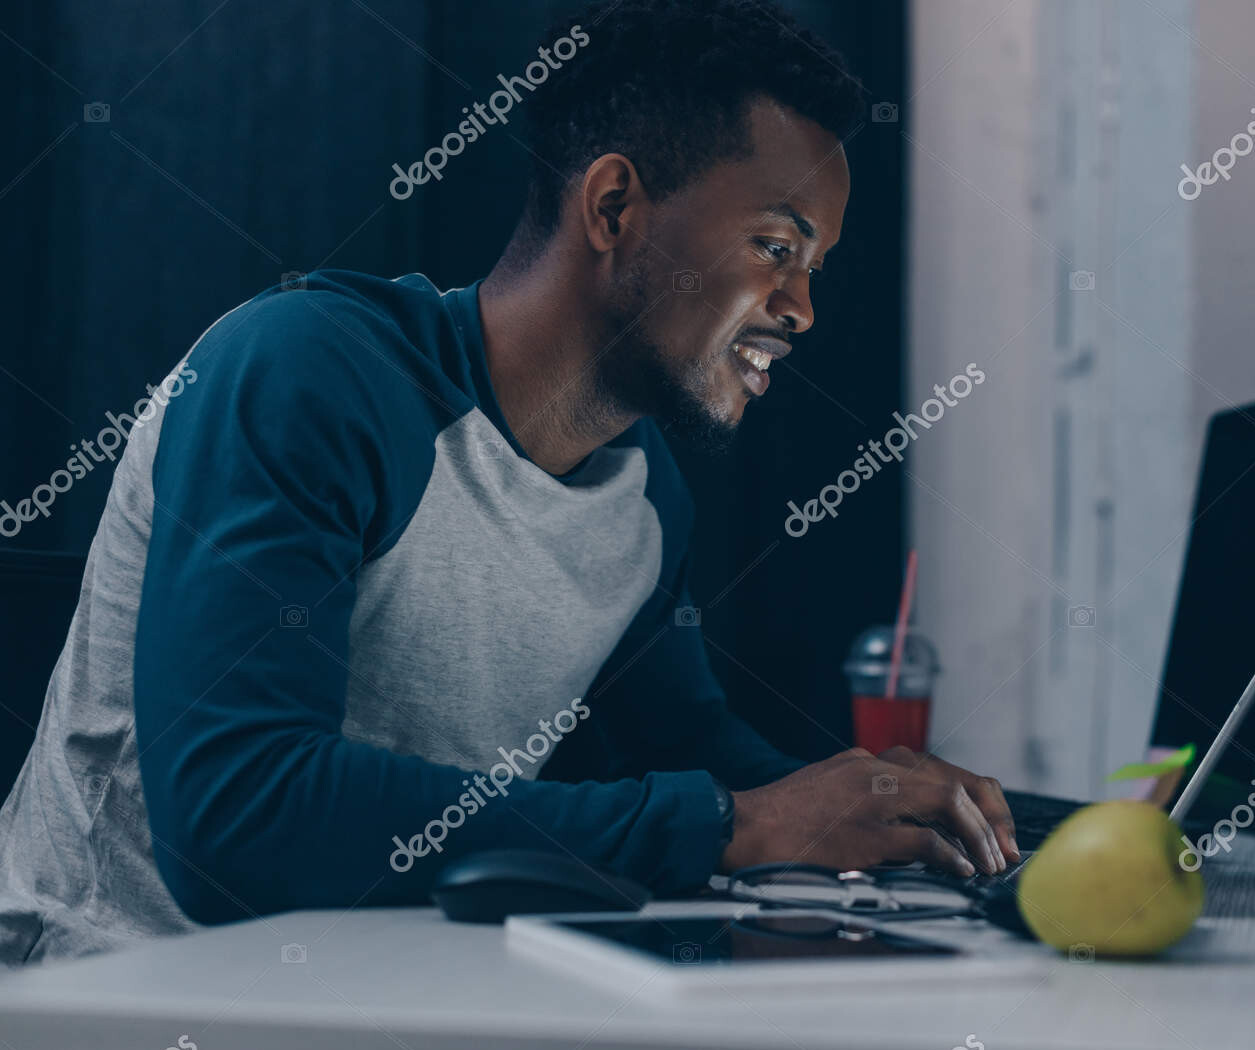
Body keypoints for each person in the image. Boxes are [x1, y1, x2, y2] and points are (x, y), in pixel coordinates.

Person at [0, 0, 1017, 966]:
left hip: (379, 993)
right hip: (115, 983)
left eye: (816, 265)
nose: (799, 308)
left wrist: (909, 813)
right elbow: (238, 816)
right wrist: (733, 824)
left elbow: (697, 756)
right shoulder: (311, 375)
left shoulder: (641, 492)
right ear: (615, 205)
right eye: (775, 245)